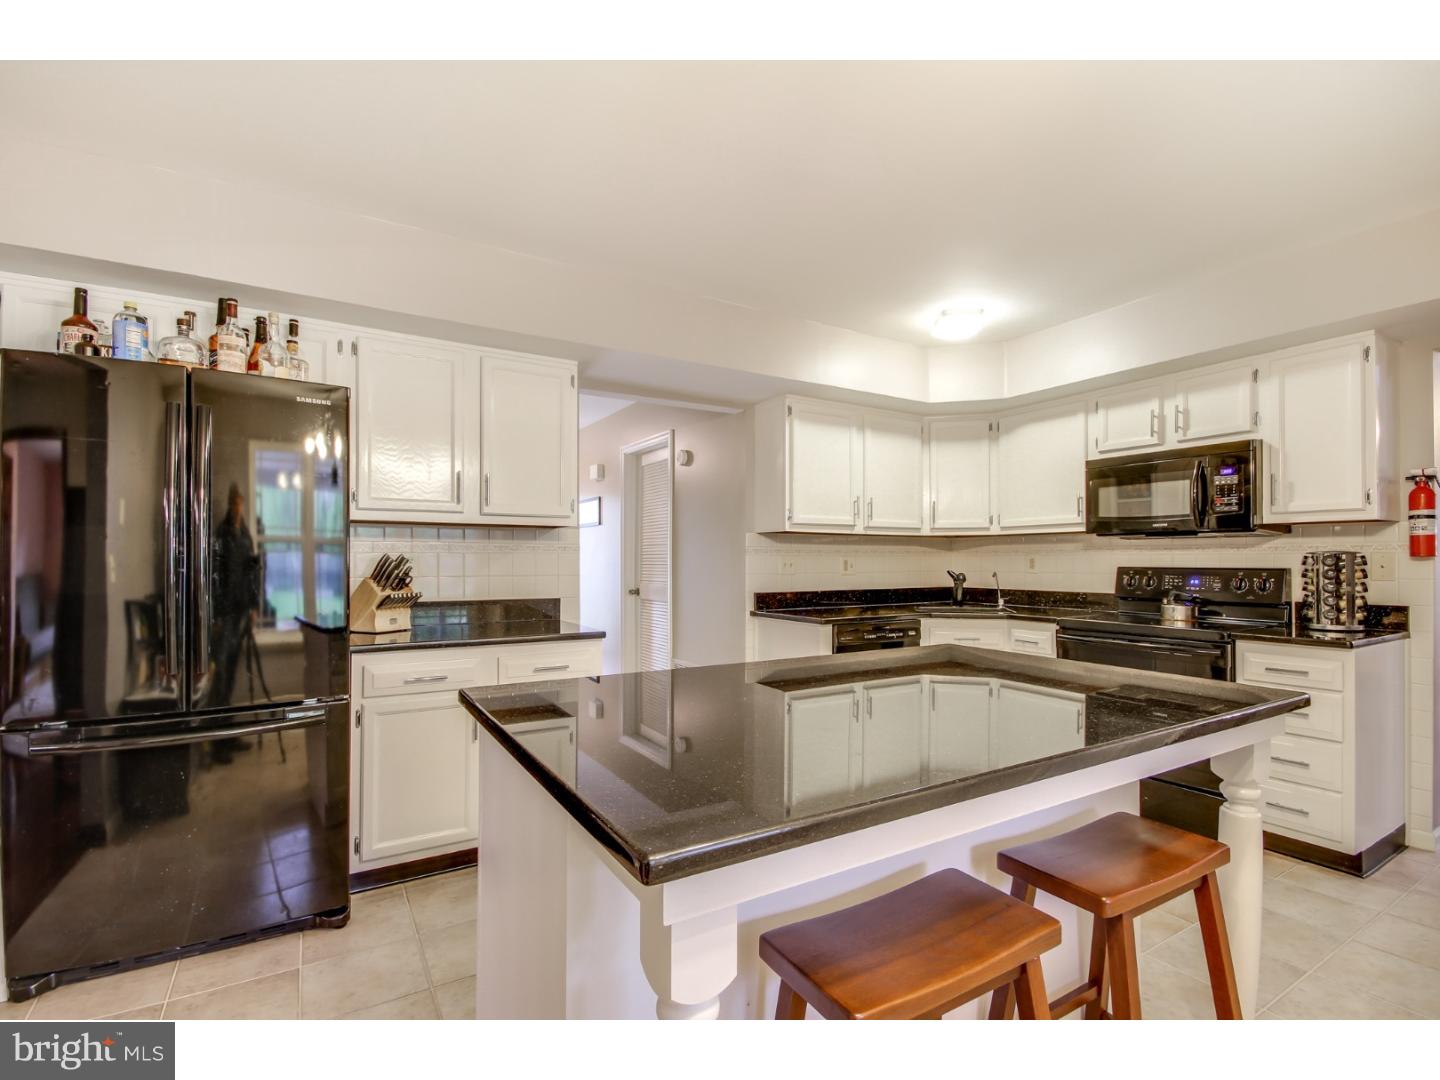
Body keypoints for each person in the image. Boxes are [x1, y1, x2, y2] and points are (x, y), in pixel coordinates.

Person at [207, 483, 260, 716]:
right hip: (225, 613)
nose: (237, 507)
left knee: (232, 669)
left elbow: (251, 571)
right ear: (230, 505)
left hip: (241, 610)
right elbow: (214, 576)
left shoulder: (245, 535)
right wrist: (216, 615)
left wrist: (254, 606)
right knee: (221, 671)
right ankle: (218, 734)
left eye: (240, 503)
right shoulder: (222, 534)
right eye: (234, 503)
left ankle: (228, 731)